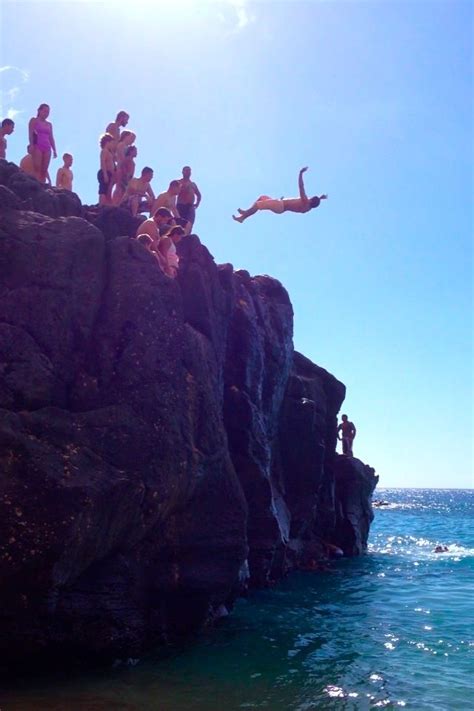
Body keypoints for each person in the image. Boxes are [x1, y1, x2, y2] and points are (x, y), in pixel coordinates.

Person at [232, 167, 327, 223]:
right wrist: (320, 198)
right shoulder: (308, 208)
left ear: (310, 200)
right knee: (262, 198)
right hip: (280, 207)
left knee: (258, 205)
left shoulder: (305, 201)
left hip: (280, 205)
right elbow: (315, 202)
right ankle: (245, 213)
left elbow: (301, 187)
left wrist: (300, 173)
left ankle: (242, 218)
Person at [28, 104, 57, 183]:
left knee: (44, 170)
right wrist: (31, 144)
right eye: (44, 111)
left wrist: (54, 150)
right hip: (37, 145)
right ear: (39, 111)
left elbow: (51, 137)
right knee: (37, 167)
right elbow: (30, 133)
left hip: (47, 147)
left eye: (48, 112)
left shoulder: (49, 124)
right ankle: (36, 185)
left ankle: (42, 186)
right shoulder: (34, 120)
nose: (46, 113)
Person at [177, 166, 201, 231]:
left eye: (189, 171)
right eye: (186, 170)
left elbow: (199, 195)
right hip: (181, 205)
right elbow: (174, 193)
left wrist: (197, 204)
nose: (188, 172)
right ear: (182, 172)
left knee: (189, 224)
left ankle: (187, 236)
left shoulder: (193, 184)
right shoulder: (179, 182)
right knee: (179, 223)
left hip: (190, 207)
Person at [97, 133, 116, 205]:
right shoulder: (104, 151)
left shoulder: (109, 152)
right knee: (103, 191)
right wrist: (105, 174)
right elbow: (103, 163)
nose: (112, 145)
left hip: (110, 174)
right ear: (107, 142)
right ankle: (101, 205)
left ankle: (106, 205)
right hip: (105, 172)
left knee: (108, 191)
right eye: (111, 143)